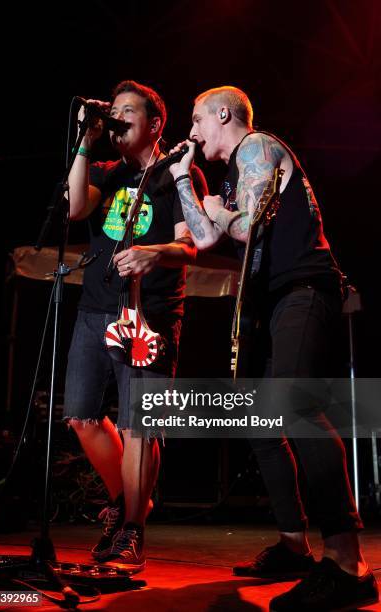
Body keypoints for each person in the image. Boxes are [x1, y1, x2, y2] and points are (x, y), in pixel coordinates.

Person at [169, 86, 378, 611]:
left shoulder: (258, 147)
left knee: (295, 406)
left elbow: (242, 226)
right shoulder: (230, 177)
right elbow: (213, 239)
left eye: (196, 120)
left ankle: (348, 561)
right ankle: (293, 544)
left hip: (304, 288)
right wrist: (184, 184)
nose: (191, 133)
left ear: (223, 114)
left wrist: (216, 211)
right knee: (260, 421)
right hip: (271, 298)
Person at [63, 80, 207, 573]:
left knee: (139, 426)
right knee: (81, 417)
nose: (119, 120)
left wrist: (154, 253)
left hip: (150, 316)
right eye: (115, 111)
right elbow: (74, 208)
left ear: (155, 124)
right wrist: (86, 141)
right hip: (94, 310)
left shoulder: (178, 175)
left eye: (129, 112)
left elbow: (191, 246)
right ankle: (130, 507)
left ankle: (131, 531)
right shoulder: (107, 171)